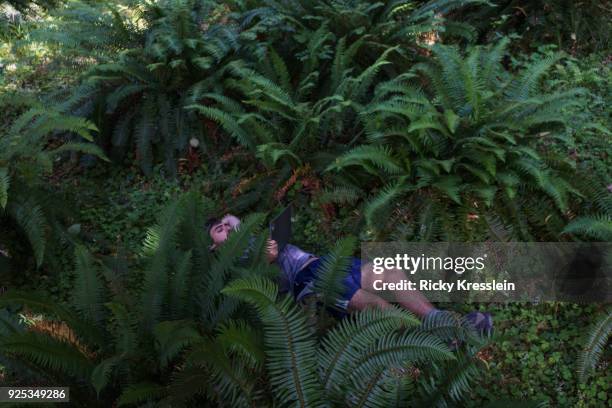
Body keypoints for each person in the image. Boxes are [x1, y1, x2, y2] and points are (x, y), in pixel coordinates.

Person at [206, 214, 493, 334]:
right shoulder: (232, 266)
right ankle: (445, 335)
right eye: (220, 230)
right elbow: (267, 290)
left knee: (391, 273)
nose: (227, 228)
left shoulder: (251, 237)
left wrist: (233, 225)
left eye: (226, 225)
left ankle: (438, 320)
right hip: (308, 283)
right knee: (374, 304)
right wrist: (266, 262)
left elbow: (234, 218)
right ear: (212, 248)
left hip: (325, 264)